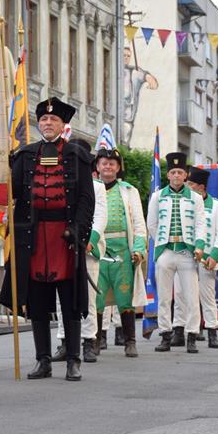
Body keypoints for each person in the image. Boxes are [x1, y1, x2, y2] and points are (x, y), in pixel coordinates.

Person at [1, 97, 94, 382]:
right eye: (43, 120)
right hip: (33, 238)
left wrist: (77, 232)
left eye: (53, 120)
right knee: (38, 303)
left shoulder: (77, 157)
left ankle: (74, 360)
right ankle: (43, 360)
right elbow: (13, 191)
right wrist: (1, 163)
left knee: (70, 302)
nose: (48, 123)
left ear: (63, 125)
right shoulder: (25, 155)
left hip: (64, 239)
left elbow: (86, 201)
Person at [51, 139, 106, 364]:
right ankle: (64, 341)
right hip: (62, 246)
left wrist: (87, 240)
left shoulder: (97, 186)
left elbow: (100, 216)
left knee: (88, 297)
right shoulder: (58, 180)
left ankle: (88, 341)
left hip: (86, 248)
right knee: (60, 298)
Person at [147, 152, 205, 353]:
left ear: (186, 175)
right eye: (173, 172)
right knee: (164, 296)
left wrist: (198, 247)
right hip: (166, 251)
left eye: (180, 172)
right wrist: (162, 242)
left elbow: (200, 225)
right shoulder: (157, 196)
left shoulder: (196, 198)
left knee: (190, 295)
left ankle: (191, 335)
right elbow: (151, 224)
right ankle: (165, 335)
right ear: (168, 174)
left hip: (187, 253)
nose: (177, 175)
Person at [92, 147, 147, 357]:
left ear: (118, 168)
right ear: (97, 166)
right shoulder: (90, 189)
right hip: (97, 249)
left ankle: (130, 341)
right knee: (96, 297)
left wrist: (139, 249)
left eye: (112, 163)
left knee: (125, 296)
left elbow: (139, 224)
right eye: (103, 163)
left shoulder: (129, 190)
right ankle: (94, 341)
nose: (107, 166)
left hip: (123, 250)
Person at [180, 166, 218, 349]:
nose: (187, 187)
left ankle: (212, 332)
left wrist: (214, 256)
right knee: (183, 294)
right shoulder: (185, 203)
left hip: (207, 258)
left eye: (190, 184)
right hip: (186, 255)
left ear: (201, 187)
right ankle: (186, 330)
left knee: (207, 295)